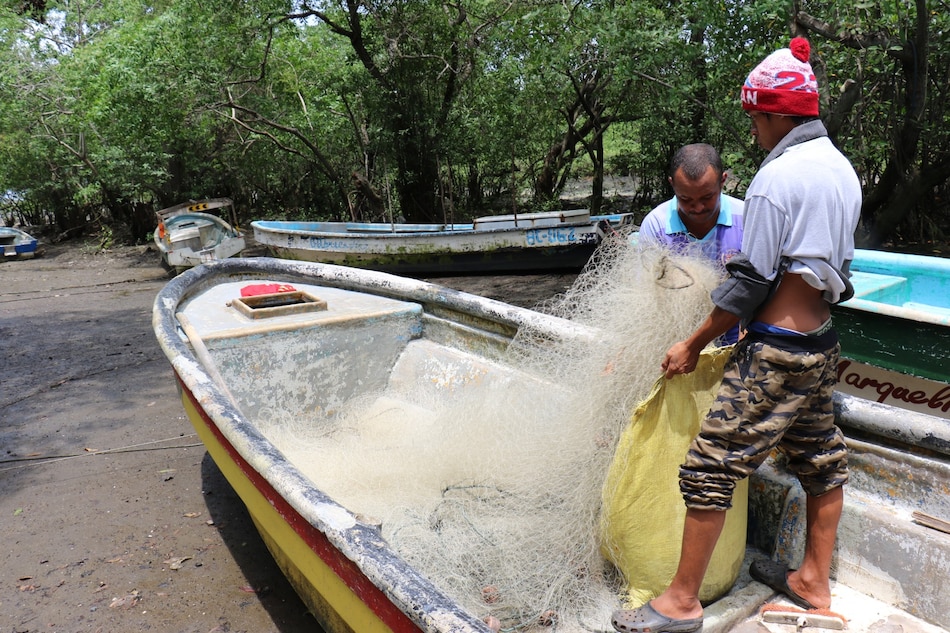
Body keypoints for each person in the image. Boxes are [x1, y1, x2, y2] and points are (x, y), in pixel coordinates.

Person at [611, 37, 861, 633]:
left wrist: (692, 343)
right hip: (821, 341)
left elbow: (749, 282)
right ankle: (812, 582)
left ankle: (679, 603)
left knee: (708, 467)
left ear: (776, 114)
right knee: (821, 461)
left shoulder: (778, 178)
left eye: (755, 118)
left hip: (777, 347)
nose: (754, 130)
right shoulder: (841, 168)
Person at [639, 143, 745, 344]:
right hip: (677, 343)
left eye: (707, 197)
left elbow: (761, 287)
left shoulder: (747, 217)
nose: (697, 208)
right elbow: (645, 300)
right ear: (672, 184)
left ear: (723, 181)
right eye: (685, 199)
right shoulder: (656, 224)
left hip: (737, 341)